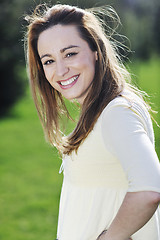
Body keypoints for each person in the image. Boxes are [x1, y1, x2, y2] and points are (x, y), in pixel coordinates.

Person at [24, 3, 160, 240]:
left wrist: (111, 237)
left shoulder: (117, 112)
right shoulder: (98, 110)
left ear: (95, 50)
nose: (61, 70)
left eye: (70, 54)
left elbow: (149, 189)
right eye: (48, 61)